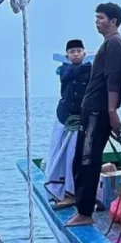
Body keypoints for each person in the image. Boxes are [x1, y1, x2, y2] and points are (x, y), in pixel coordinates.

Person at [66, 3, 121, 227]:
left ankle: (85, 213)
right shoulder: (108, 44)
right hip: (91, 110)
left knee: (87, 160)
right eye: (96, 18)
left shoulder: (115, 44)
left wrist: (112, 112)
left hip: (97, 112)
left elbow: (114, 79)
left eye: (101, 18)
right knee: (81, 160)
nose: (97, 22)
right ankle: (83, 208)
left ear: (113, 21)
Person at [44, 39, 91, 209]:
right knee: (57, 152)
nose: (76, 54)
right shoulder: (65, 70)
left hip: (80, 119)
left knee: (73, 155)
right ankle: (56, 189)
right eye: (72, 52)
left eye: (78, 51)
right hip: (63, 116)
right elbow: (69, 74)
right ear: (67, 55)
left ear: (84, 53)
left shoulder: (90, 70)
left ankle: (72, 192)